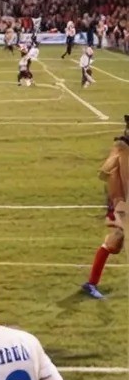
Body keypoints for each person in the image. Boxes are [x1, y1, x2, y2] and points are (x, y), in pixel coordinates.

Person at [82, 116, 129, 299]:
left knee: (115, 244)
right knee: (115, 240)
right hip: (120, 202)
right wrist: (108, 170)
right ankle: (91, 283)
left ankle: (91, 283)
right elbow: (105, 170)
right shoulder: (121, 146)